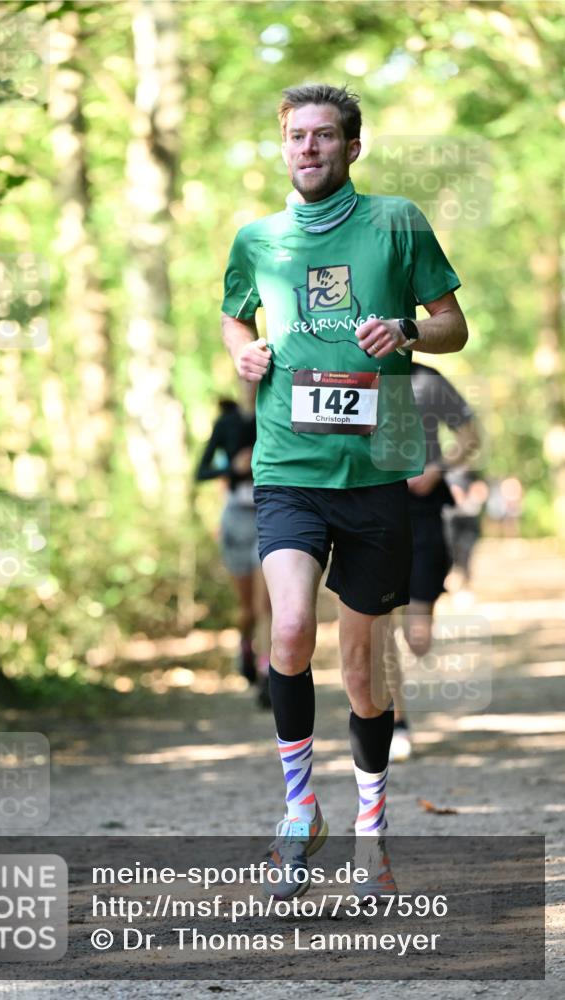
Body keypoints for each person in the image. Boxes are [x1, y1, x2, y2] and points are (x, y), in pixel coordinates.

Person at [221, 83, 468, 900]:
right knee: (287, 628)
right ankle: (298, 810)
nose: (308, 148)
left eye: (324, 136)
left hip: (375, 478)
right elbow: (233, 316)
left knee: (363, 678)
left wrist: (403, 330)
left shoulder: (395, 222)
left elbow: (452, 326)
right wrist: (243, 353)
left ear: (351, 147)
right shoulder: (256, 239)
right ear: (283, 145)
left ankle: (371, 828)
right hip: (289, 470)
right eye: (295, 136)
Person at [387, 363, 480, 764]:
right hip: (372, 507)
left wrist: (437, 468)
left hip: (424, 511)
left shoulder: (428, 379)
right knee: (378, 621)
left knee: (416, 639)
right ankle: (396, 722)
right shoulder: (353, 370)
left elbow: (471, 434)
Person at [195, 397, 272, 704]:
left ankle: (268, 675)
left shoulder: (278, 408)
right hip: (236, 520)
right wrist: (232, 466)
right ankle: (246, 646)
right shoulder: (226, 423)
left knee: (265, 604)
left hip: (270, 513)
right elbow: (201, 471)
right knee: (248, 610)